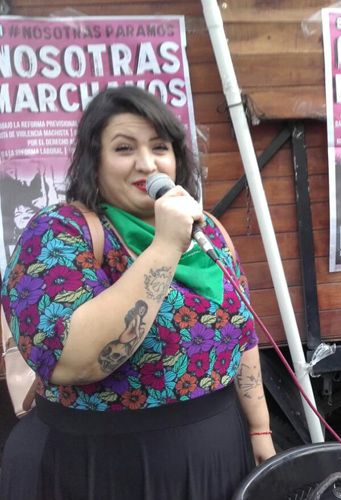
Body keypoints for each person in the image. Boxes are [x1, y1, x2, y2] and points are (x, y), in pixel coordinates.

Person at [0, 86, 275, 500]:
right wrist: (164, 247)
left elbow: (241, 335)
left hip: (214, 459)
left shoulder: (210, 233)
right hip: (98, 467)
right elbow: (74, 361)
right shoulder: (61, 231)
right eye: (124, 148)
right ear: (94, 161)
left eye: (160, 147)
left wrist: (259, 430)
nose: (147, 164)